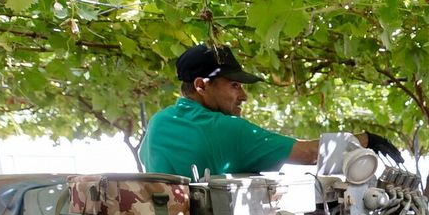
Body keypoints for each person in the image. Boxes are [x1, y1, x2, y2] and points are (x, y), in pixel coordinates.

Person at [140, 43, 404, 179]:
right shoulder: (226, 129)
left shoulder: (157, 123)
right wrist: (366, 139)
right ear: (201, 85)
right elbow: (311, 153)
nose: (243, 95)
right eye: (234, 85)